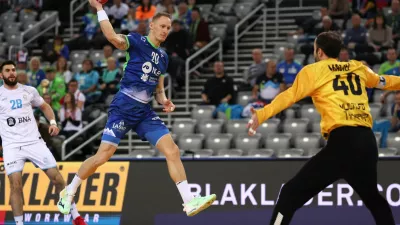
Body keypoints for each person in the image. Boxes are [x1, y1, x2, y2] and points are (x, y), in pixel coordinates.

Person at [58, 0, 216, 218]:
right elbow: (113, 37)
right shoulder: (136, 42)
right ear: (151, 25)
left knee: (173, 151)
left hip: (144, 112)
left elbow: (158, 87)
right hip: (123, 107)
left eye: (168, 28)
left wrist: (164, 100)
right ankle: (69, 191)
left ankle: (189, 201)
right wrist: (100, 9)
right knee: (102, 156)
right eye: (162, 26)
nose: (165, 31)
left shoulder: (163, 57)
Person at [247, 32, 396, 225]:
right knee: (375, 201)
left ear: (319, 51)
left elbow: (288, 96)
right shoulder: (357, 67)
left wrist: (260, 114)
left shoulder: (314, 71)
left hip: (342, 142)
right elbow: (384, 81)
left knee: (289, 194)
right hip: (367, 142)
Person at [0, 61, 87, 225]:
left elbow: (45, 106)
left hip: (34, 142)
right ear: (1, 75)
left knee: (58, 179)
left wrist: (53, 123)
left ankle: (76, 217)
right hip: (12, 146)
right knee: (15, 185)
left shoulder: (29, 90)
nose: (11, 73)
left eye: (13, 70)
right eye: (7, 71)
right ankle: (19, 223)